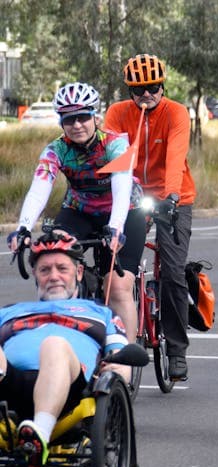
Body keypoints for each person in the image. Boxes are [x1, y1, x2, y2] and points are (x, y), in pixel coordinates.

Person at [8, 82, 145, 344]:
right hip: (78, 210)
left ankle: (124, 361)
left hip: (124, 211)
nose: (77, 124)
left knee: (117, 287)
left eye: (83, 116)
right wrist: (23, 227)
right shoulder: (55, 150)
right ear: (61, 121)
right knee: (54, 252)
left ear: (95, 116)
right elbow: (39, 188)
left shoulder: (115, 145)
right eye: (69, 119)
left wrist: (115, 227)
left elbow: (122, 186)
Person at [103, 53, 196, 382]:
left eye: (153, 87)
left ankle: (176, 348)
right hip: (132, 194)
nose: (147, 95)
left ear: (163, 86)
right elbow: (114, 158)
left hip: (174, 196)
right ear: (129, 90)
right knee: (111, 265)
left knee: (172, 271)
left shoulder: (176, 112)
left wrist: (171, 195)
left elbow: (175, 156)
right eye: (139, 89)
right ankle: (111, 340)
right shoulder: (117, 113)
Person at [0, 233, 128, 467]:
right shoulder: (11, 311)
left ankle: (41, 432)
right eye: (45, 270)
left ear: (78, 273)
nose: (54, 276)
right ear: (36, 277)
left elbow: (122, 359)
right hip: (10, 384)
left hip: (70, 386)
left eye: (62, 268)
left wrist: (114, 374)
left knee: (54, 343)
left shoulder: (102, 312)